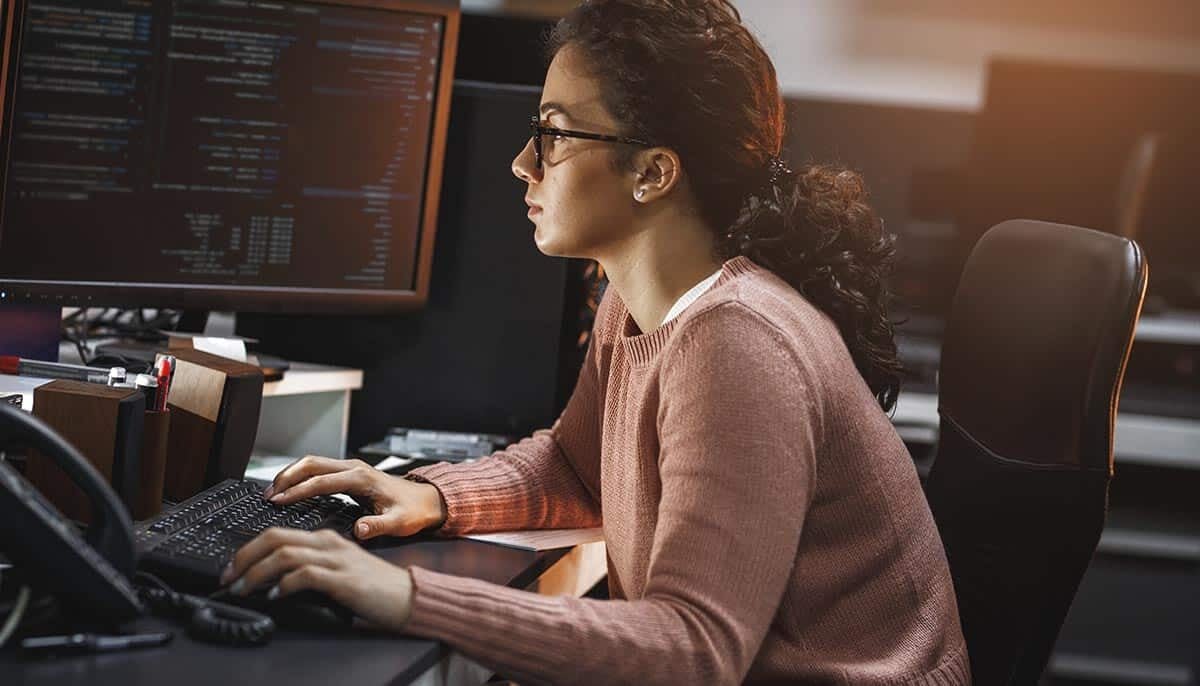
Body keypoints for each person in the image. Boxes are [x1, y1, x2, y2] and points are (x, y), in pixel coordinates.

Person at [222, 1, 970, 682]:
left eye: (552, 134)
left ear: (653, 172)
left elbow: (694, 648)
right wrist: (431, 495)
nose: (522, 163)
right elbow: (581, 468)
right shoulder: (637, 301)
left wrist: (403, 593)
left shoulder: (739, 342)